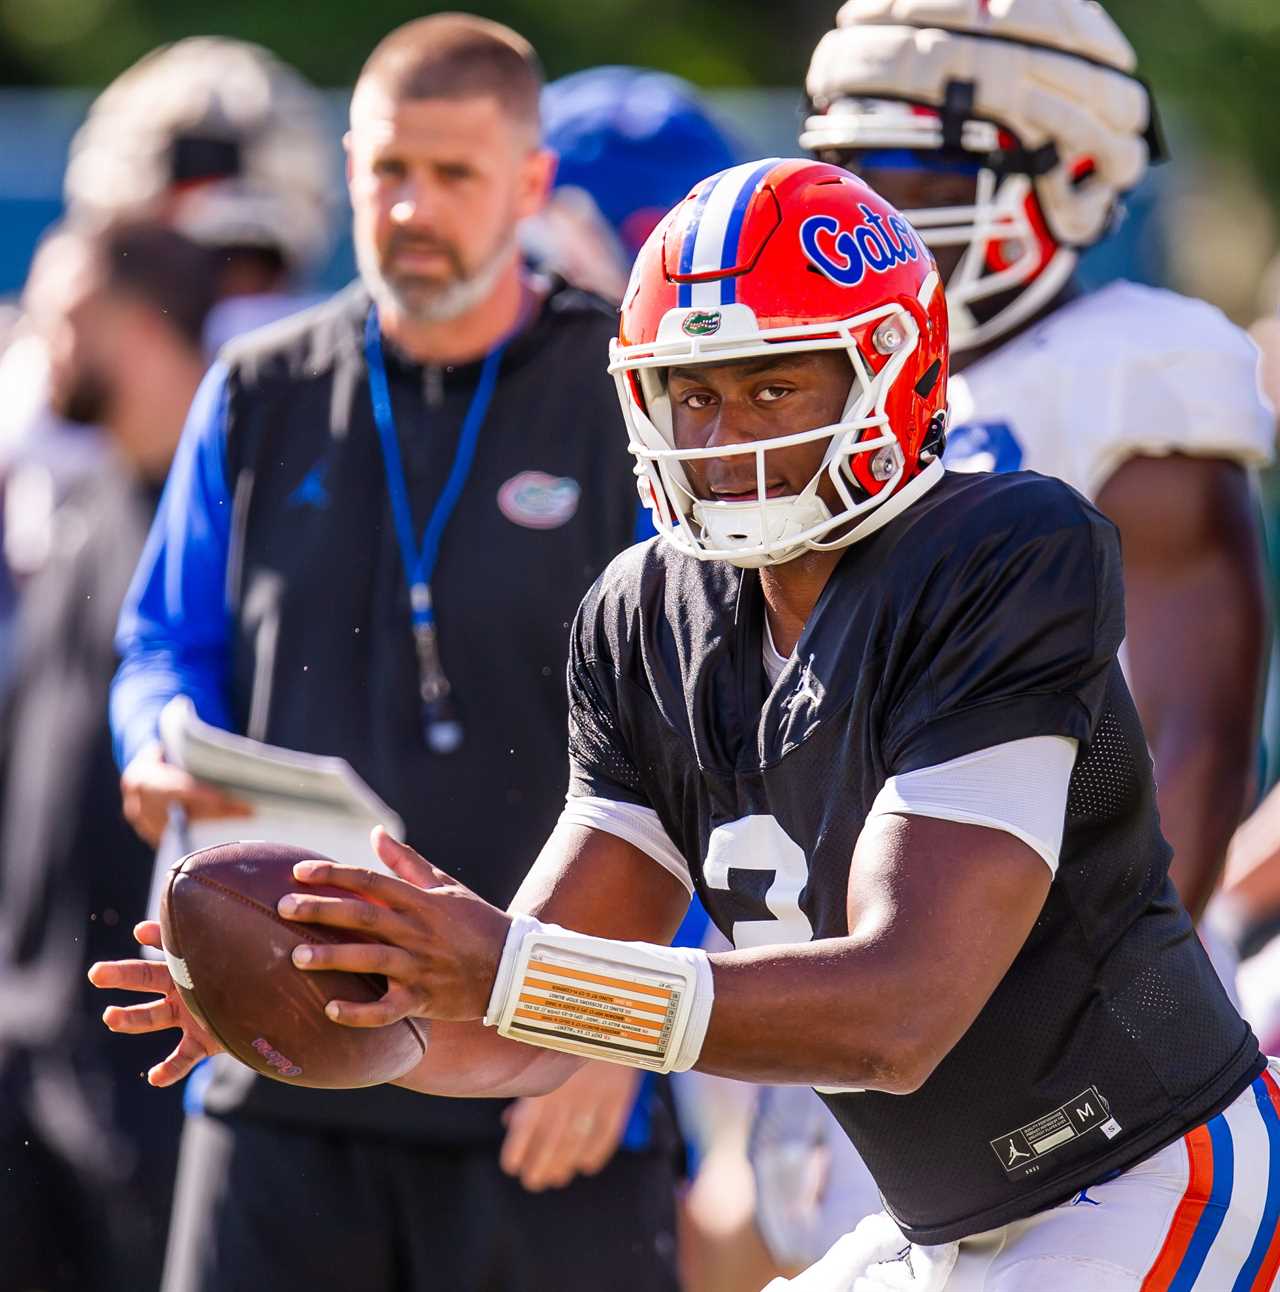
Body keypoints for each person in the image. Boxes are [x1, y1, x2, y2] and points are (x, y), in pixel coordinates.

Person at [97, 158, 1280, 1291]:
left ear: (892, 369)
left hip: (1140, 1175)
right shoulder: (644, 612)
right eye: (693, 393)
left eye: (773, 386)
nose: (724, 439)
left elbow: (900, 1011)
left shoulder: (1002, 553)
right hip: (938, 1225)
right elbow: (527, 1035)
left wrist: (507, 969)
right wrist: (351, 998)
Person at [107, 15, 678, 1292]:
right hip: (275, 1059)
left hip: (544, 1077)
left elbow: (704, 732)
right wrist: (155, 735)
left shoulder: (626, 398)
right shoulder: (255, 387)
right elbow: (160, 639)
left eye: (454, 174)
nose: (411, 207)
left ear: (530, 185)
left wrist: (618, 1049)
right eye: (386, 170)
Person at [725, 4, 1277, 1273]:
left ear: (1067, 177)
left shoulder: (1122, 367)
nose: (868, 217)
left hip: (1040, 1015)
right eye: (843, 176)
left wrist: (1113, 1028)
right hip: (848, 970)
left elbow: (1192, 726)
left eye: (913, 173)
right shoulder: (833, 393)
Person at [0, 220, 216, 1292]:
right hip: (29, 1031)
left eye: (62, 314)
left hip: (145, 1041)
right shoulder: (82, 505)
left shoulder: (236, 526)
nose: (41, 341)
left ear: (133, 324)